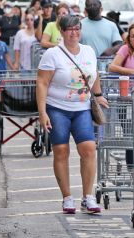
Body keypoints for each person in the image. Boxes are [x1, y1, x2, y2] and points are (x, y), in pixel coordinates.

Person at [36, 15, 108, 214]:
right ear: (62, 31)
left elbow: (94, 75)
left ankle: (88, 197)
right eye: (69, 29)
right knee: (61, 151)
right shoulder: (52, 54)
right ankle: (67, 198)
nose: (74, 33)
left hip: (82, 108)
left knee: (88, 149)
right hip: (57, 108)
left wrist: (99, 95)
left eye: (77, 29)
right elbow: (41, 83)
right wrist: (42, 112)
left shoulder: (88, 51)